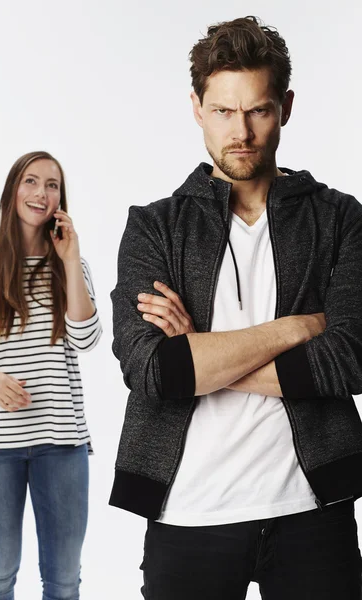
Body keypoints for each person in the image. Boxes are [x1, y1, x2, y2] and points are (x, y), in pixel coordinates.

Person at [110, 16, 362, 600]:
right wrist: (299, 327)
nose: (242, 131)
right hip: (187, 514)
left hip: (312, 511)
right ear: (197, 107)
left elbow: (351, 357)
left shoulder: (339, 220)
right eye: (223, 111)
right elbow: (152, 372)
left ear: (287, 107)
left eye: (259, 110)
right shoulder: (154, 226)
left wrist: (201, 355)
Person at [0, 150, 102, 600]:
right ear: (12, 191)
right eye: (31, 181)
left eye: (53, 185)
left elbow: (86, 339)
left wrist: (71, 257)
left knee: (63, 578)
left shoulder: (71, 267)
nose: (41, 193)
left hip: (61, 444)